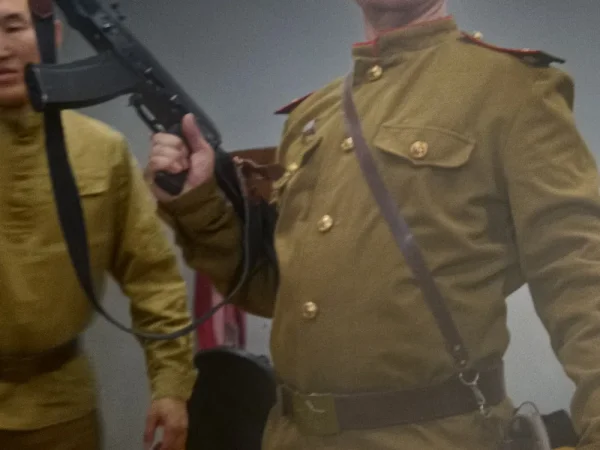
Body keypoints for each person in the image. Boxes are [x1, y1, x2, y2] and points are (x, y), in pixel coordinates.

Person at [146, 0, 600, 449]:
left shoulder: (512, 89)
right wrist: (198, 202)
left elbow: (582, 276)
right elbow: (278, 292)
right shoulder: (313, 117)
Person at [0, 0, 196, 449]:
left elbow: (152, 278)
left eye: (12, 27)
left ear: (52, 35)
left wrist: (171, 384)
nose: (1, 49)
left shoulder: (102, 151)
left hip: (61, 410)